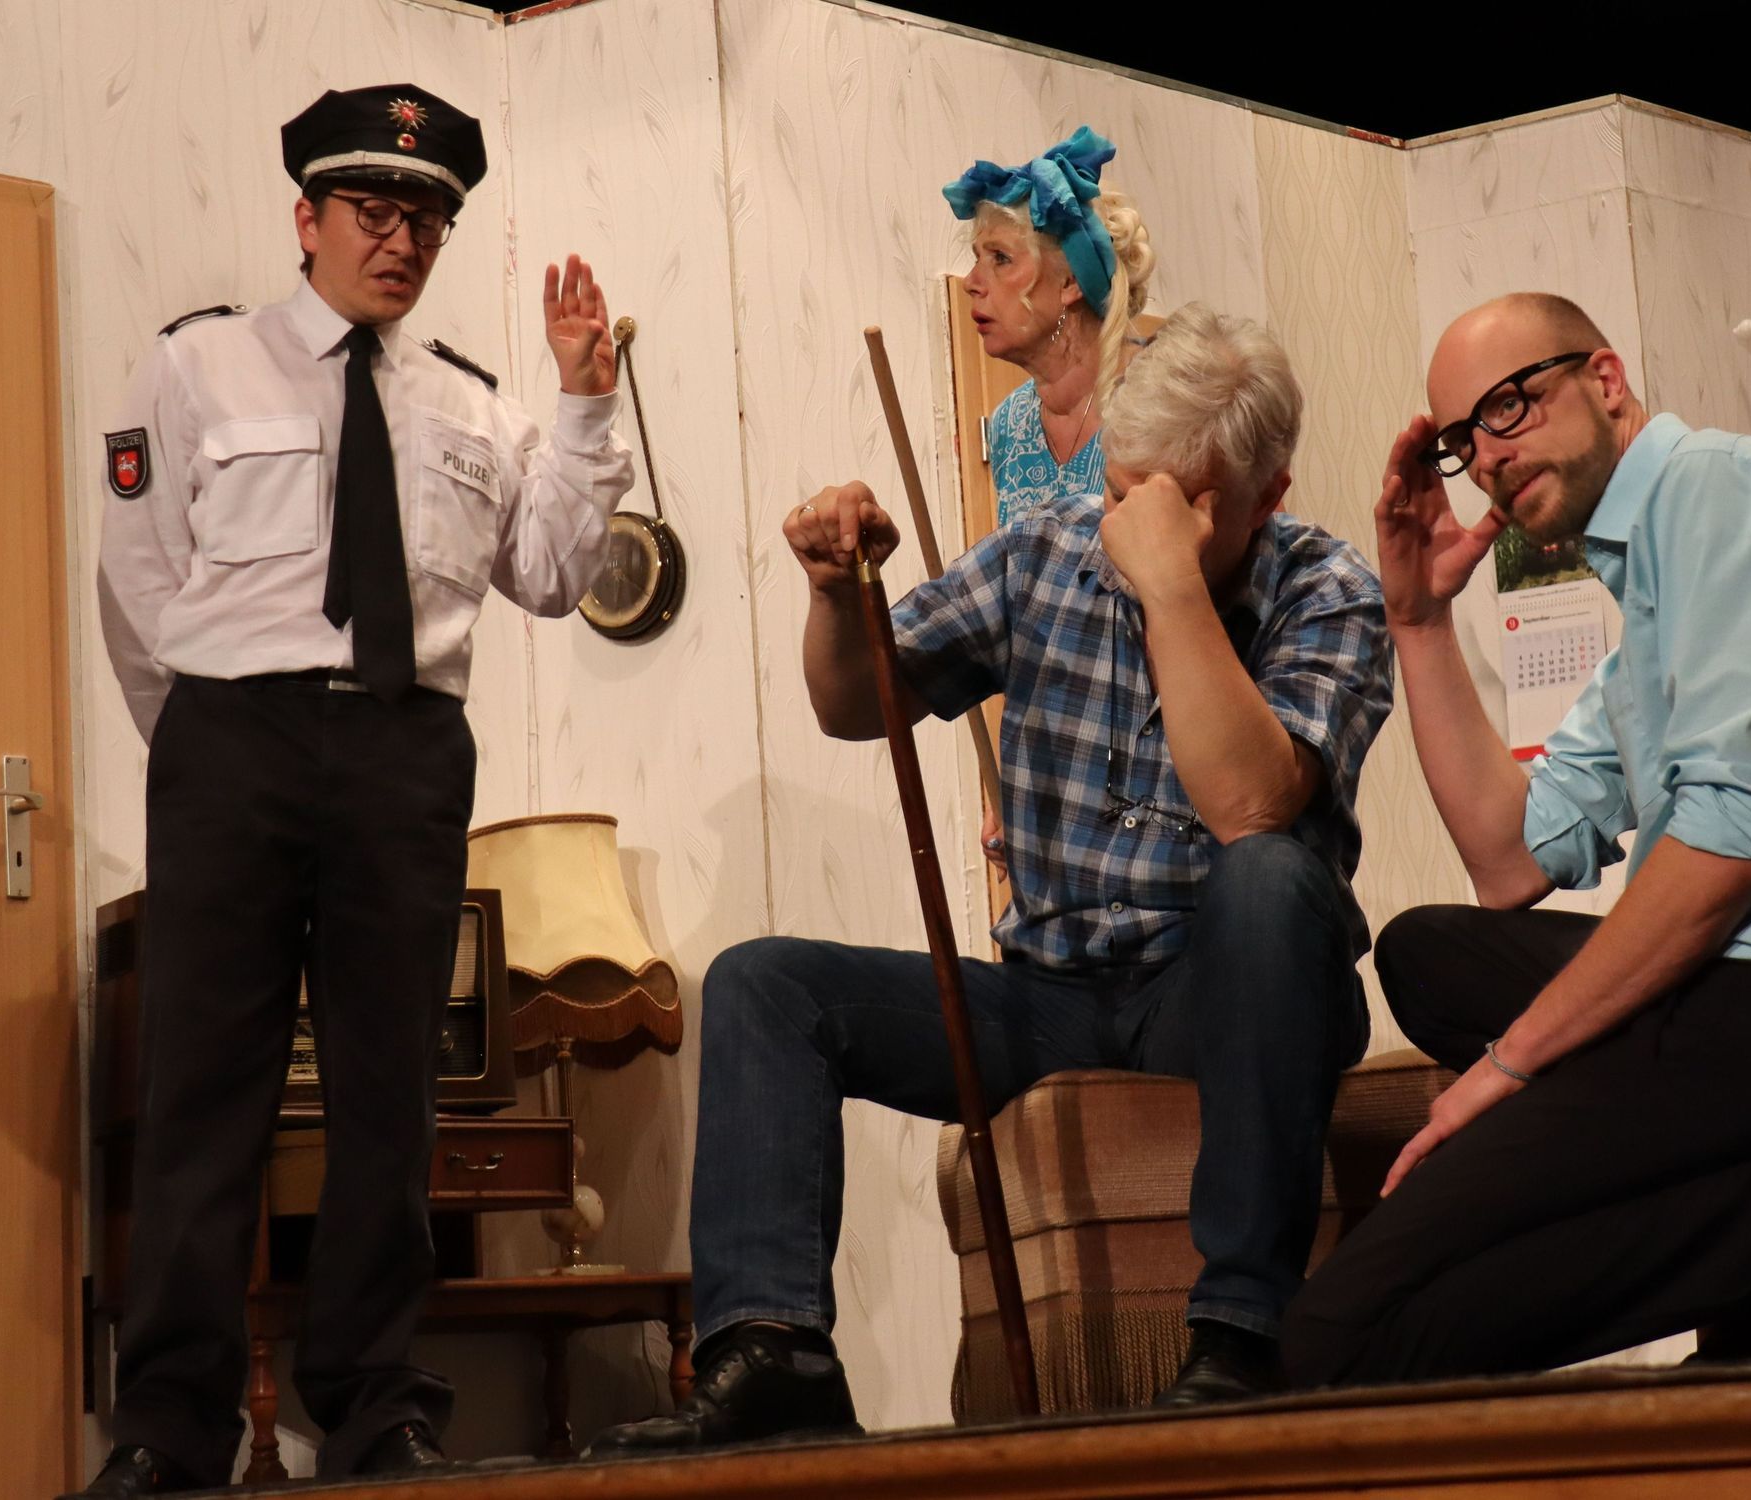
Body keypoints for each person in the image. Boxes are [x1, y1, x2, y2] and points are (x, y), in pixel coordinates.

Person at [589, 305, 1390, 1457]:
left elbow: (1249, 805)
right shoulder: (1041, 553)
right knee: (766, 984)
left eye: (1177, 503)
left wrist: (1172, 590)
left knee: (1265, 876)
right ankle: (774, 1357)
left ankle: (1238, 1336)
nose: (1135, 526)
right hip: (1051, 992)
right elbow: (855, 704)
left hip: (1225, 985)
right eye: (1124, 491)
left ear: (1267, 496)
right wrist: (836, 594)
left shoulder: (1326, 590)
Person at [81, 84, 633, 1496]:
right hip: (233, 743)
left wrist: (584, 400)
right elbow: (138, 583)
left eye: (428, 222)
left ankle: (373, 1408)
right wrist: (202, 739)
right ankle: (170, 1428)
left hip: (404, 750)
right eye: (376, 212)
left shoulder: (473, 403)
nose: (402, 243)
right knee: (204, 1095)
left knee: (393, 1099)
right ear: (308, 218)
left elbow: (553, 575)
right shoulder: (199, 366)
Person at [1280, 291, 1751, 1390]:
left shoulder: (1716, 487)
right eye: (1462, 440)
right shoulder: (1643, 602)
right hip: (1734, 991)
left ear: (1606, 378)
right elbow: (1506, 860)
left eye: (1509, 406)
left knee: (1336, 1337)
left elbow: (1731, 846)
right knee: (1424, 953)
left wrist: (1509, 1066)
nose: (1487, 456)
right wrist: (1418, 621)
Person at [943, 125, 1157, 874]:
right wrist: (1009, 787)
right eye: (977, 259)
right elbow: (1021, 626)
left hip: (1162, 762)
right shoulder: (1009, 427)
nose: (973, 282)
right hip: (1055, 776)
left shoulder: (1157, 406)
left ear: (1069, 284)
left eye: (1000, 259)